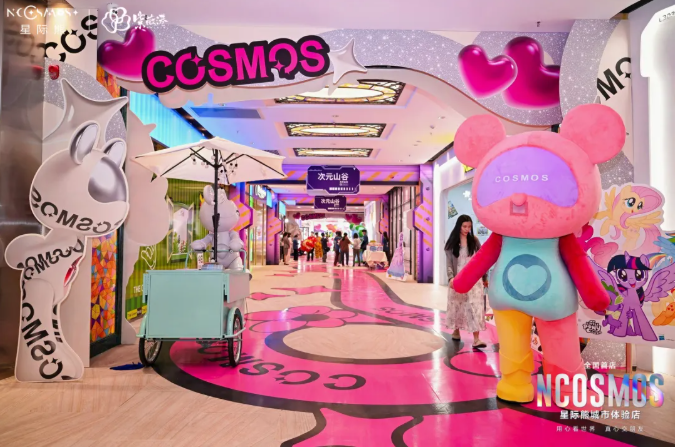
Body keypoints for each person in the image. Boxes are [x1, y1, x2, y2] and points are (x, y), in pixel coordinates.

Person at [446, 215, 487, 348]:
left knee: (475, 306)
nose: (467, 229)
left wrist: (485, 277)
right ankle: (456, 330)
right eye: (464, 226)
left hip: (474, 279)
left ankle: (476, 339)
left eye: (469, 227)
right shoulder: (452, 242)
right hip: (458, 279)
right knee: (457, 305)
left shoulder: (474, 241)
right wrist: (450, 278)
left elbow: (482, 259)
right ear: (459, 226)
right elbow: (449, 263)